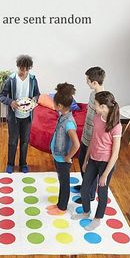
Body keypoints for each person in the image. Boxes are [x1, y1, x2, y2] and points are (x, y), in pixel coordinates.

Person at [71, 91, 122, 231]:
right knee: (85, 188)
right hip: (93, 159)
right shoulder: (97, 118)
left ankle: (97, 219)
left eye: (96, 104)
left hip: (106, 164)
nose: (94, 106)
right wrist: (86, 159)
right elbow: (93, 140)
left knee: (102, 192)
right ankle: (86, 211)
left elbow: (115, 153)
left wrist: (105, 174)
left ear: (104, 107)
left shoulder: (116, 126)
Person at [0, 54, 40, 173]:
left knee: (25, 141)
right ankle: (10, 164)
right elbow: (1, 96)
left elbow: (37, 94)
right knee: (12, 141)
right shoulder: (11, 79)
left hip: (27, 117)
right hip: (14, 117)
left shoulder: (32, 79)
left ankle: (23, 164)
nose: (25, 71)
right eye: (22, 68)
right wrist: (11, 102)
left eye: (27, 69)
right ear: (18, 66)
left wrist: (35, 99)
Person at [46, 83, 80, 215]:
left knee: (64, 183)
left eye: (54, 104)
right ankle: (60, 204)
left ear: (59, 106)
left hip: (62, 159)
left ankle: (62, 208)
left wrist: (68, 157)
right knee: (61, 181)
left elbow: (76, 144)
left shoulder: (69, 123)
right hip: (58, 157)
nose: (53, 106)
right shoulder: (62, 116)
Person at [74, 67, 105, 204]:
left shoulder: (104, 100)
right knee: (82, 162)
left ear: (94, 82)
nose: (86, 82)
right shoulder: (93, 94)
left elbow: (102, 123)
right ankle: (85, 186)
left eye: (87, 80)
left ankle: (90, 194)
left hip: (94, 139)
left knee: (90, 167)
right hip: (86, 135)